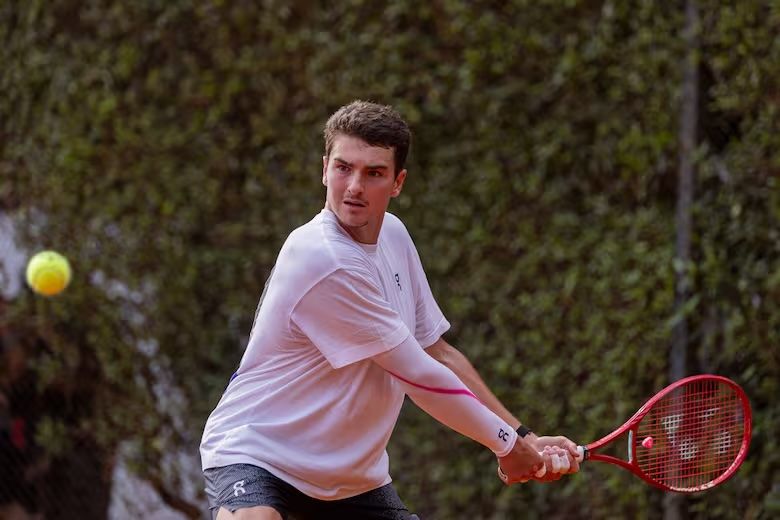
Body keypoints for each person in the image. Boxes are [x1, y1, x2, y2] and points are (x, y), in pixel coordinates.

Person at [200, 101, 580, 520]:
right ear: (324, 168)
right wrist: (508, 445)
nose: (354, 187)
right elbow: (417, 374)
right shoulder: (323, 257)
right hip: (258, 453)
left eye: (374, 173)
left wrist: (523, 435)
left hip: (350, 481)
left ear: (397, 182)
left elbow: (438, 353)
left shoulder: (394, 237)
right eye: (343, 168)